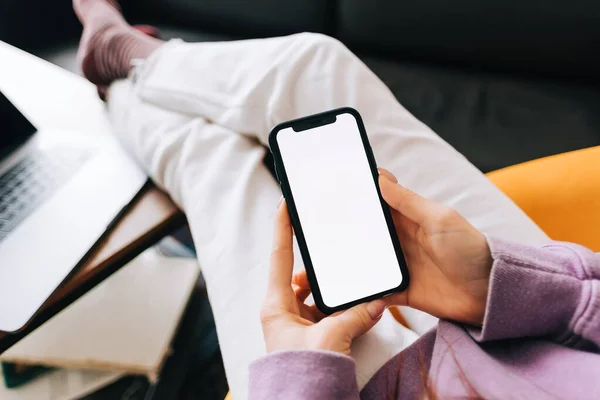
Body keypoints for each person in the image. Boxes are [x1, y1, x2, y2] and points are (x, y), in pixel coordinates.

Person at [73, 0, 599, 398]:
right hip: (532, 323)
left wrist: (301, 376)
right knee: (312, 62)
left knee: (215, 161)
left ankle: (120, 80)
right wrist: (506, 286)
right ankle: (134, 57)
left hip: (369, 387)